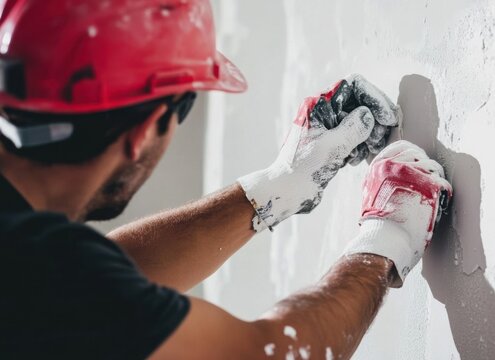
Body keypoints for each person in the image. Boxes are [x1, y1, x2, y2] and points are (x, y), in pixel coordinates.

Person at [0, 0, 452, 358]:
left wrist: (280, 186)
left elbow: (93, 282)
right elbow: (266, 355)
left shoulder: (32, 261)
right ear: (145, 129)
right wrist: (385, 241)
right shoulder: (40, 276)